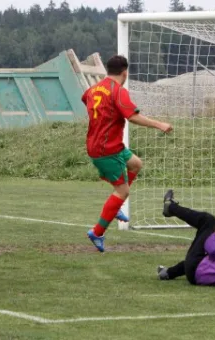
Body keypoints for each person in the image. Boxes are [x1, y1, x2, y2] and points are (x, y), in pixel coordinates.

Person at [82, 55, 173, 252]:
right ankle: (97, 233)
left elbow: (87, 101)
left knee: (136, 164)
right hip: (106, 148)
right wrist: (160, 125)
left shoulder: (93, 89)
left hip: (105, 144)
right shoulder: (118, 91)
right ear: (125, 72)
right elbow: (132, 116)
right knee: (122, 191)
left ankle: (117, 206)